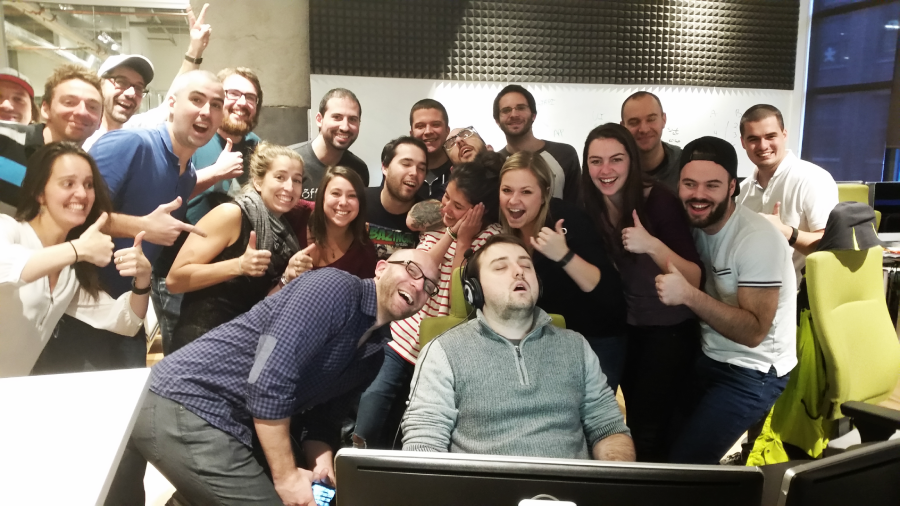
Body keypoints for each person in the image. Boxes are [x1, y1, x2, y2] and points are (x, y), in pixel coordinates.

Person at [105, 249, 440, 506]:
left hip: (229, 421)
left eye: (430, 286)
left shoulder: (374, 355)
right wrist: (286, 477)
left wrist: (323, 470)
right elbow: (268, 376)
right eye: (411, 270)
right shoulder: (335, 288)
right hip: (185, 401)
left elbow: (323, 425)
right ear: (382, 268)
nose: (418, 285)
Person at [32, 70, 224, 374]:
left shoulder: (186, 174)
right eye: (197, 100)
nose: (206, 112)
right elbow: (73, 217)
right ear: (171, 102)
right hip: (78, 312)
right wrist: (142, 226)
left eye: (216, 104)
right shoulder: (128, 144)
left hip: (127, 312)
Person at [402, 234, 635, 460]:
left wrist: (613, 484)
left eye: (526, 266)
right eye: (500, 267)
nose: (518, 271)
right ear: (474, 290)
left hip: (565, 496)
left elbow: (609, 428)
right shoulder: (443, 352)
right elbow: (424, 444)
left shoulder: (576, 346)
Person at [657, 136, 796, 465]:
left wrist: (690, 296)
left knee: (685, 467)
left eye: (712, 185)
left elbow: (754, 332)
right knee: (660, 448)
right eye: (689, 184)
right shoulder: (695, 225)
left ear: (732, 186)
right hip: (710, 357)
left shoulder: (756, 238)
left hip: (754, 370)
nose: (698, 195)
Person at [353, 151, 503, 450]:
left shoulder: (491, 241)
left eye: (457, 205)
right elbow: (421, 269)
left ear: (480, 211)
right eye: (446, 197)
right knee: (367, 423)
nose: (445, 206)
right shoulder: (439, 224)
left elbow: (457, 304)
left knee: (409, 436)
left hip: (440, 352)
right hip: (400, 341)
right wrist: (451, 231)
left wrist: (464, 242)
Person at [579, 123, 703, 462]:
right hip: (625, 328)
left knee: (651, 430)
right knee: (623, 422)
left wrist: (651, 245)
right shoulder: (591, 203)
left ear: (631, 162)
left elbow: (694, 276)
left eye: (616, 159)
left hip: (667, 331)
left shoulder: (658, 200)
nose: (605, 170)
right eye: (595, 161)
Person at [0, 142, 149, 378]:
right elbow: (9, 267)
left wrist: (143, 279)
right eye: (68, 183)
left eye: (89, 185)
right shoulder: (8, 229)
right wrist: (78, 248)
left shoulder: (67, 272)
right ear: (39, 193)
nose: (82, 194)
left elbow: (124, 322)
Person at [150, 67, 265, 351]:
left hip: (230, 279)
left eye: (251, 98)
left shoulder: (257, 146)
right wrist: (215, 173)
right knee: (182, 361)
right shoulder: (189, 139)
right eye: (233, 94)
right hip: (178, 274)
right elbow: (159, 200)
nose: (242, 103)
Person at [498, 150, 627, 391]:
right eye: (507, 190)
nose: (513, 200)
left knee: (590, 422)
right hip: (548, 340)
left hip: (596, 338)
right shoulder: (505, 230)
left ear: (544, 193)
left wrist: (563, 255)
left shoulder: (567, 219)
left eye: (526, 191)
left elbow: (608, 292)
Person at [165, 143, 304, 353]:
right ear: (258, 181)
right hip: (203, 342)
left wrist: (287, 276)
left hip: (244, 344)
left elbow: (260, 300)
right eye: (280, 177)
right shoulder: (231, 214)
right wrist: (239, 265)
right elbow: (175, 280)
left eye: (297, 180)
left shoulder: (283, 230)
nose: (289, 187)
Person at [81, 3, 212, 150]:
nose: (131, 93)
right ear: (100, 85)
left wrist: (195, 50)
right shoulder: (81, 136)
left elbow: (171, 101)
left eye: (138, 87)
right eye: (121, 82)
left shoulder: (134, 129)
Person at [736, 104, 838, 284]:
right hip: (752, 292)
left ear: (784, 135)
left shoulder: (813, 178)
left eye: (770, 136)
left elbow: (831, 246)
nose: (763, 145)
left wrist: (788, 233)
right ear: (743, 143)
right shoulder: (742, 191)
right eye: (753, 139)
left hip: (799, 297)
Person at [494, 84, 581, 201]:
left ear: (533, 115)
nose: (514, 114)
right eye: (506, 110)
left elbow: (576, 208)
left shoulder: (565, 154)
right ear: (497, 121)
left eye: (521, 108)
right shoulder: (494, 163)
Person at [297, 165, 377, 279]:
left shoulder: (365, 251)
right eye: (335, 193)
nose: (343, 202)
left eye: (352, 195)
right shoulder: (299, 212)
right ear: (322, 195)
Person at [294, 88, 368, 201]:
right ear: (319, 119)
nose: (345, 127)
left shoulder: (359, 169)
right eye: (337, 117)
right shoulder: (291, 161)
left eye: (352, 119)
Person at [366, 136, 427, 260]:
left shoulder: (428, 217)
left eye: (421, 168)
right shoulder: (359, 201)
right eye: (406, 164)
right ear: (385, 167)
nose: (414, 173)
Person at [620, 91, 681, 193]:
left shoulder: (685, 164)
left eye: (651, 119)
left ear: (663, 119)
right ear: (623, 127)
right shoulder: (614, 169)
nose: (644, 129)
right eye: (634, 122)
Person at [410, 99, 452, 200]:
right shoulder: (402, 172)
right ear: (411, 134)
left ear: (447, 131)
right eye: (420, 126)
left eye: (436, 125)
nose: (428, 131)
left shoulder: (461, 170)